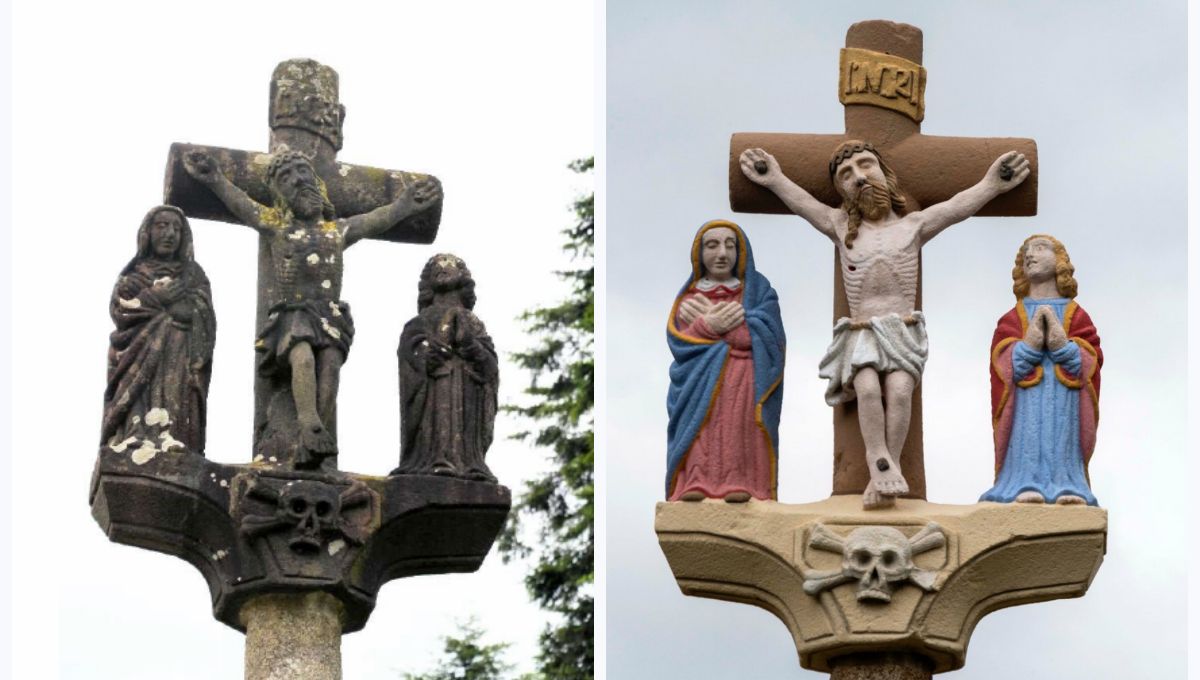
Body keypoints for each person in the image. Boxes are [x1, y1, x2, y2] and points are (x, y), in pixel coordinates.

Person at [740, 141, 1029, 508]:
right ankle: (878, 459)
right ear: (841, 190)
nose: (859, 178)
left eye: (866, 166)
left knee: (900, 392)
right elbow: (803, 204)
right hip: (861, 331)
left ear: (885, 175)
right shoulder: (840, 225)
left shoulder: (913, 225)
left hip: (903, 329)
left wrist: (992, 184)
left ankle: (887, 466)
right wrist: (774, 179)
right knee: (867, 389)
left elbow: (956, 208)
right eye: (847, 175)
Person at [183, 149, 440, 466]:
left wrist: (403, 205)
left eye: (303, 174)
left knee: (330, 364)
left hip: (328, 313)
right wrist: (216, 179)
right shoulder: (278, 226)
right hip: (296, 311)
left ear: (318, 184)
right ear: (280, 196)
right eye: (287, 179)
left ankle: (316, 431)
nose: (298, 181)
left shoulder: (337, 230)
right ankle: (308, 421)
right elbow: (244, 206)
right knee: (302, 357)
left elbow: (375, 220)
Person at [666, 220, 785, 502]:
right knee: (701, 424)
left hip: (743, 375)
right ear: (699, 253)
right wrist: (707, 325)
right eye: (712, 245)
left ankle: (739, 481)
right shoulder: (690, 298)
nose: (722, 253)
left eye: (730, 245)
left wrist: (720, 325)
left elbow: (767, 339)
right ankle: (694, 480)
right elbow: (681, 343)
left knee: (736, 427)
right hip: (697, 378)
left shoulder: (757, 292)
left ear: (741, 252)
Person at [981, 235, 1101, 505]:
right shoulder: (1013, 317)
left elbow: (1091, 359)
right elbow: (1002, 363)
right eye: (1025, 252)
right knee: (1028, 436)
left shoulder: (1076, 314)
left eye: (1039, 248)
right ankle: (1022, 483)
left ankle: (1068, 485)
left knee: (1061, 435)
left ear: (1059, 261)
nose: (1029, 255)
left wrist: (1063, 347)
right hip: (1026, 400)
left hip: (1065, 400)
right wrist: (1029, 347)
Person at [102, 205, 216, 459]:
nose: (170, 233)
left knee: (177, 391)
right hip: (138, 352)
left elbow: (205, 315)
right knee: (137, 393)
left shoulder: (193, 276)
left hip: (179, 353)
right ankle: (134, 432)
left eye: (176, 228)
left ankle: (172, 434)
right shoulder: (132, 277)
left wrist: (186, 311)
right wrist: (154, 298)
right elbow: (120, 311)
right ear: (148, 233)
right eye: (162, 226)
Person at [394, 254, 498, 481]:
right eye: (435, 267)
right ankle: (433, 460)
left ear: (463, 277)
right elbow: (409, 355)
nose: (441, 268)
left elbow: (489, 367)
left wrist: (470, 345)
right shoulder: (418, 322)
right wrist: (426, 354)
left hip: (467, 389)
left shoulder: (473, 322)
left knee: (465, 422)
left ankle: (470, 463)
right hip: (436, 388)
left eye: (449, 265)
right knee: (438, 415)